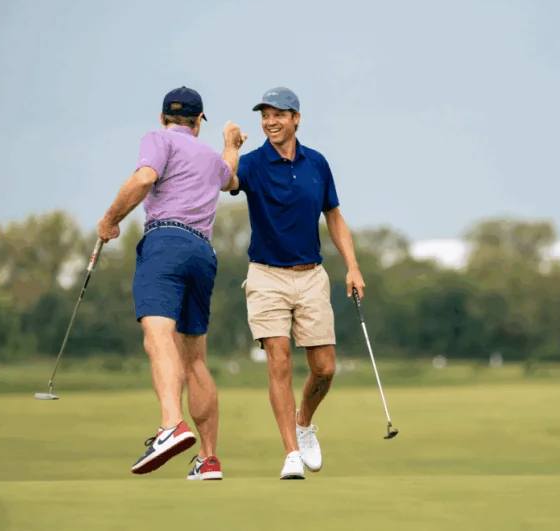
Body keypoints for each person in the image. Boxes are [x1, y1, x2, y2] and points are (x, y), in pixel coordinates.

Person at [97, 86, 248, 479]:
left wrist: (111, 219)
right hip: (202, 252)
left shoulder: (157, 138)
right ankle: (208, 458)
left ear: (164, 117)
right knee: (194, 358)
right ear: (199, 122)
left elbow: (145, 177)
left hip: (164, 242)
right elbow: (230, 178)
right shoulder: (210, 156)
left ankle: (170, 425)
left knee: (157, 336)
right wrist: (231, 143)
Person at [228, 87, 364, 480]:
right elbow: (223, 180)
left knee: (324, 368)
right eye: (265, 115)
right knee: (279, 360)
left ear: (296, 118)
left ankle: (303, 422)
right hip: (266, 275)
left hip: (311, 276)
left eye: (279, 114)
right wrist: (231, 146)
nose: (271, 121)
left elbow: (334, 217)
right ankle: (290, 453)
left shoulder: (317, 163)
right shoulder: (252, 164)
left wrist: (352, 267)